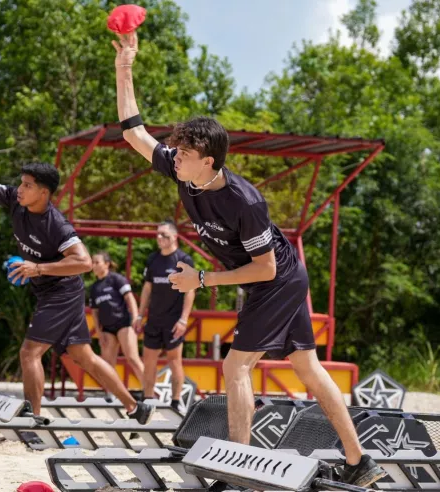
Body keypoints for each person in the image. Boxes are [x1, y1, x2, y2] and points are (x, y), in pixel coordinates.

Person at [112, 32, 386, 486]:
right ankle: (360, 462)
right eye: (177, 152)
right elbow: (133, 133)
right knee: (307, 368)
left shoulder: (245, 201)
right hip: (272, 280)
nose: (175, 158)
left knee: (236, 365)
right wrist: (125, 65)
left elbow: (265, 268)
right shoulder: (183, 172)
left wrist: (202, 279)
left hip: (277, 280)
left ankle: (237, 468)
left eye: (185, 154)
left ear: (210, 161)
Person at [0, 119, 153, 422]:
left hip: (62, 292)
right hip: (51, 292)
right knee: (84, 356)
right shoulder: (16, 202)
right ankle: (137, 408)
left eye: (27, 185)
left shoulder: (56, 225)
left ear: (43, 193)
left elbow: (84, 262)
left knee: (29, 352)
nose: (20, 189)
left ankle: (32, 418)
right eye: (21, 183)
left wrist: (37, 268)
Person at [135, 221, 195, 411]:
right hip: (154, 320)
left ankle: (175, 403)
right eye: (158, 234)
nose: (159, 238)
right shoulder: (153, 259)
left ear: (175, 237)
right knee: (148, 362)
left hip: (174, 321)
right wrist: (139, 315)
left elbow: (190, 291)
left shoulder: (183, 260)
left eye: (164, 235)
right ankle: (147, 402)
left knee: (174, 362)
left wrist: (183, 320)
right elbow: (147, 289)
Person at [88, 251, 144, 390]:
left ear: (106, 264)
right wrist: (99, 333)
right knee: (107, 364)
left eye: (97, 262)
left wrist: (136, 317)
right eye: (92, 262)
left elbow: (130, 298)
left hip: (124, 324)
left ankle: (150, 392)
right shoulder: (94, 287)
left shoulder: (117, 279)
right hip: (107, 328)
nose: (94, 265)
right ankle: (112, 394)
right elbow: (94, 312)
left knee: (133, 359)